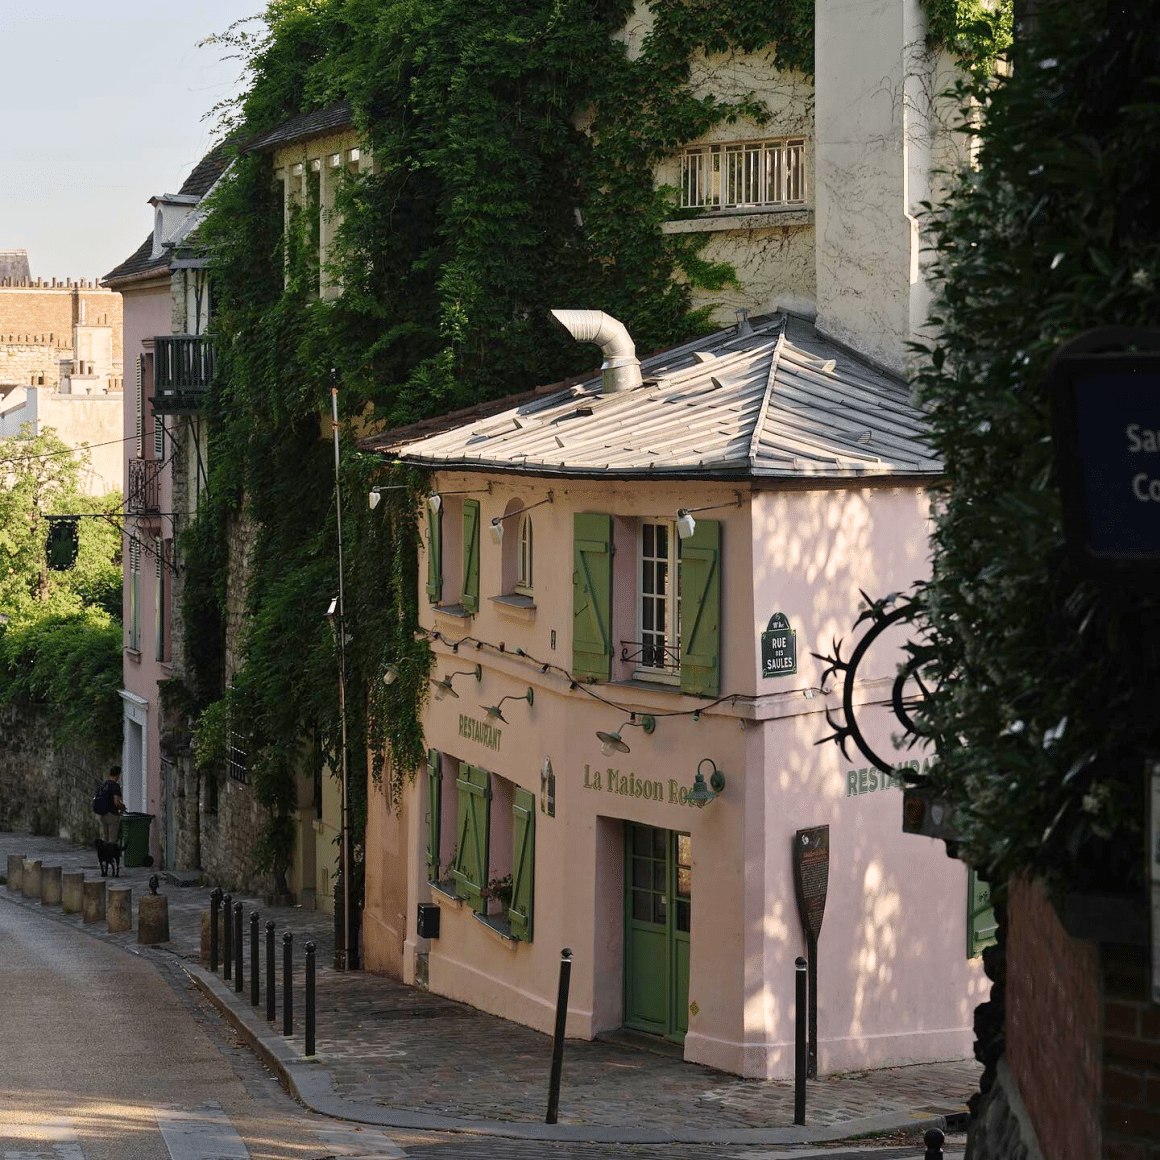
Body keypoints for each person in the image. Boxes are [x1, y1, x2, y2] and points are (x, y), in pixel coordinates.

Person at [94, 766, 125, 843]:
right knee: (112, 839)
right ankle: (111, 854)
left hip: (102, 814)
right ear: (118, 775)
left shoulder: (104, 785)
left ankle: (105, 854)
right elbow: (116, 802)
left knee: (105, 838)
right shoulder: (115, 786)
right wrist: (122, 807)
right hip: (112, 815)